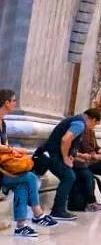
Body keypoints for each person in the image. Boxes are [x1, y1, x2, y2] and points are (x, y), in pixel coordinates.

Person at [0, 89, 58, 237]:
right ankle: (37, 214)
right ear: (6, 103)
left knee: (23, 182)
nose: (15, 103)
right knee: (30, 178)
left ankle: (21, 225)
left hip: (4, 167)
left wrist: (15, 152)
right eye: (13, 100)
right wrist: (11, 149)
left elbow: (4, 149)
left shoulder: (3, 123)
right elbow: (4, 148)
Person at [35, 107, 101, 221]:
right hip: (53, 155)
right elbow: (66, 140)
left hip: (53, 154)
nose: (93, 128)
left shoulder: (76, 121)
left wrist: (79, 155)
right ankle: (58, 210)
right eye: (95, 124)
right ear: (93, 120)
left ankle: (59, 209)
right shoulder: (80, 124)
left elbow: (69, 144)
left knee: (69, 176)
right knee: (68, 176)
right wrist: (66, 157)